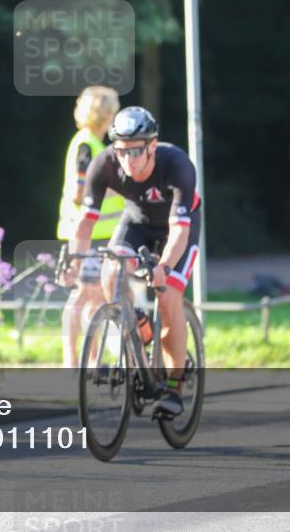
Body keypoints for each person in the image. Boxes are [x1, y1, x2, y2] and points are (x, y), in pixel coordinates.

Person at [65, 106, 201, 418]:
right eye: (122, 151)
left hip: (177, 228)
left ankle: (174, 385)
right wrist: (74, 262)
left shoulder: (176, 163)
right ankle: (138, 322)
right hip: (136, 223)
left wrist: (163, 267)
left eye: (136, 151)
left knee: (168, 296)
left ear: (152, 145)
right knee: (110, 271)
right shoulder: (105, 164)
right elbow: (85, 223)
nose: (128, 159)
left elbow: (180, 230)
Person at [56, 86, 124, 367]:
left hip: (101, 233)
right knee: (84, 295)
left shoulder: (93, 144)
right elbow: (78, 190)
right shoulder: (86, 145)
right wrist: (117, 190)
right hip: (88, 234)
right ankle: (73, 361)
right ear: (107, 113)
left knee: (96, 297)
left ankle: (91, 361)